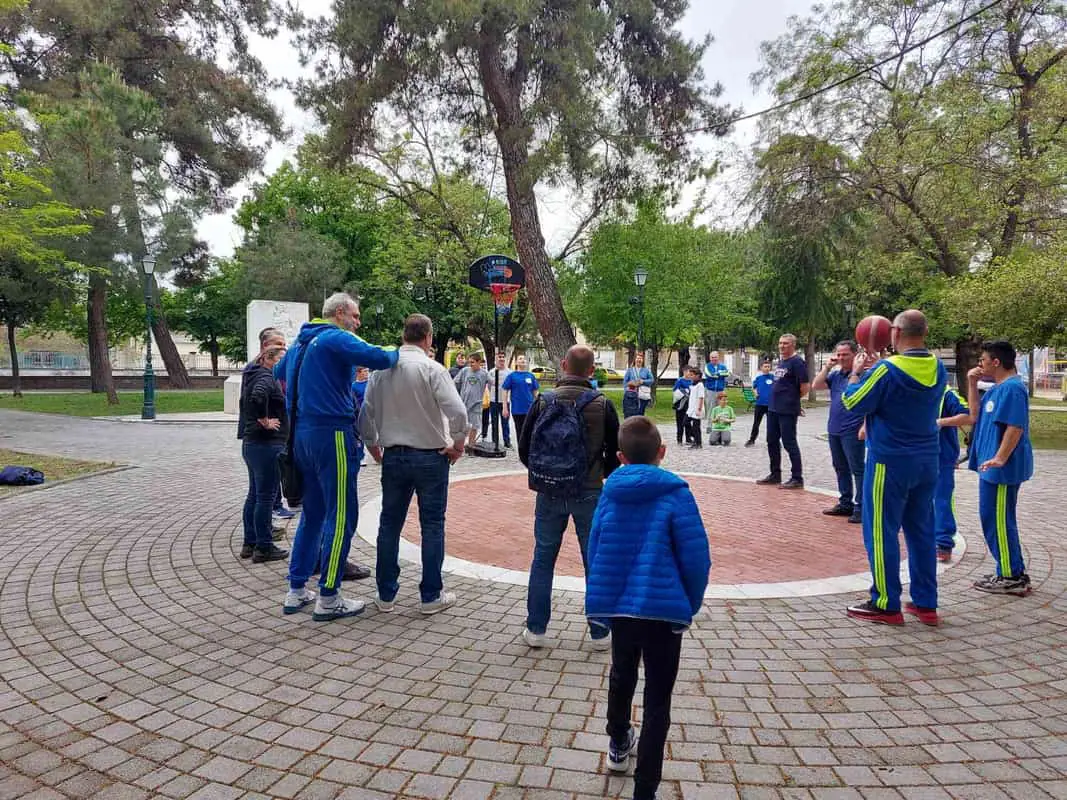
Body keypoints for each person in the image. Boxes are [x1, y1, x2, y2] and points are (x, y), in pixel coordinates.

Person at [585, 416, 711, 800]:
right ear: (662, 451)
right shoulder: (677, 494)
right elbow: (696, 557)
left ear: (620, 457)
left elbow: (595, 547)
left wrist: (603, 597)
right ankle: (645, 789)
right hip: (664, 612)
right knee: (658, 699)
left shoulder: (609, 493)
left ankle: (618, 740)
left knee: (621, 675)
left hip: (621, 609)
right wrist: (688, 604)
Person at [279, 292, 398, 622]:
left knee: (313, 514)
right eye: (355, 316)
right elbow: (380, 357)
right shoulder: (334, 337)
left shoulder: (300, 343)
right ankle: (329, 596)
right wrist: (402, 349)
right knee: (342, 514)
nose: (358, 323)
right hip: (332, 433)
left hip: (301, 436)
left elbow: (279, 372)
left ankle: (296, 589)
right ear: (341, 312)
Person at [841, 310, 946, 626]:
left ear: (896, 333)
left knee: (880, 530)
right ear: (925, 332)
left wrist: (856, 374)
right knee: (922, 531)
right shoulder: (938, 366)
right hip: (927, 459)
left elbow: (852, 403)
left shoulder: (886, 370)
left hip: (890, 462)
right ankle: (926, 603)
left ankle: (886, 603)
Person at [359, 314, 469, 615]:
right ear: (428, 337)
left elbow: (366, 414)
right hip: (431, 456)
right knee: (432, 525)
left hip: (394, 454)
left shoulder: (380, 372)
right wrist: (458, 444)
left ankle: (386, 594)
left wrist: (374, 448)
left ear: (403, 335)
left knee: (389, 524)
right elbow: (458, 412)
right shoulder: (433, 369)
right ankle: (430, 595)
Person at [518, 344, 620, 649]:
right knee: (594, 560)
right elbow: (615, 451)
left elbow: (525, 449)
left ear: (563, 365)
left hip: (549, 491)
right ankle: (600, 631)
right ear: (592, 370)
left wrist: (547, 473)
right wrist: (598, 473)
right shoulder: (602, 404)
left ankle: (536, 629)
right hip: (589, 491)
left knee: (543, 558)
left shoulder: (543, 401)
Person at [964, 340, 1034, 596]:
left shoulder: (1013, 389)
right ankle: (1009, 568)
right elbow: (974, 414)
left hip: (1001, 470)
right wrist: (972, 383)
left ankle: (1011, 576)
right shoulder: (997, 388)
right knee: (992, 518)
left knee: (999, 521)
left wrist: (1001, 458)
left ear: (996, 362)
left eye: (983, 360)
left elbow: (1015, 427)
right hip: (991, 467)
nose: (980, 364)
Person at [237, 344, 290, 563]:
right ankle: (264, 546)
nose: (284, 364)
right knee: (266, 497)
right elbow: (258, 398)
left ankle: (250, 542)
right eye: (281, 359)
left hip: (253, 443)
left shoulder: (253, 375)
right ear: (270, 359)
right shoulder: (266, 378)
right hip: (266, 444)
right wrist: (265, 420)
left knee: (255, 495)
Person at [812, 341, 865, 523]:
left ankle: (861, 507)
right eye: (839, 354)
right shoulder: (836, 375)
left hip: (853, 429)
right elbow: (816, 385)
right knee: (840, 467)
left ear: (855, 355)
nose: (841, 358)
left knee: (857, 468)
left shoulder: (862, 375)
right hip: (834, 428)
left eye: (845, 355)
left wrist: (865, 425)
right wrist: (827, 367)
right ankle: (845, 503)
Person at [757, 334, 809, 490]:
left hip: (787, 409)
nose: (782, 346)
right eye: (780, 343)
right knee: (771, 441)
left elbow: (804, 387)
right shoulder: (781, 362)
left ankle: (797, 477)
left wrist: (792, 400)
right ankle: (775, 474)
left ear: (793, 345)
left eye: (785, 343)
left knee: (789, 442)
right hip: (773, 408)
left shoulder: (797, 362)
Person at [259, 327, 297, 525]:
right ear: (266, 346)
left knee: (277, 471)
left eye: (284, 344)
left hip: (280, 431)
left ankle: (277, 505)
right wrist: (264, 420)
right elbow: (256, 397)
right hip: (268, 435)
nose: (283, 348)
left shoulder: (277, 370)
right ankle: (266, 523)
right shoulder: (262, 371)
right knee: (266, 481)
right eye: (279, 344)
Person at [932, 385, 970, 561]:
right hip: (916, 454)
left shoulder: (947, 393)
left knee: (941, 499)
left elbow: (968, 416)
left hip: (941, 456)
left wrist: (940, 422)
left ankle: (943, 543)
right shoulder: (911, 386)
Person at [454, 353, 491, 448]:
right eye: (469, 362)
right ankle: (459, 446)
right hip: (463, 403)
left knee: (474, 426)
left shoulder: (484, 373)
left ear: (479, 362)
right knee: (461, 426)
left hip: (476, 404)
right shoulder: (465, 371)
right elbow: (455, 382)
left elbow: (493, 383)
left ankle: (470, 445)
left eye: (472, 362)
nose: (470, 364)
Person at [502, 354, 540, 440]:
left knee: (530, 432)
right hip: (517, 410)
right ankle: (521, 448)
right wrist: (505, 407)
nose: (523, 360)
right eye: (520, 358)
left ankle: (528, 448)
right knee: (520, 433)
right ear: (516, 362)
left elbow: (535, 392)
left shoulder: (530, 376)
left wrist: (540, 404)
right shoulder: (512, 376)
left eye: (524, 359)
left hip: (530, 409)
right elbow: (504, 390)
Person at [482, 352, 512, 448]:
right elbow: (489, 386)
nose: (501, 359)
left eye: (503, 357)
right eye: (499, 357)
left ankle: (507, 441)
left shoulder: (510, 373)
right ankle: (494, 441)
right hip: (493, 401)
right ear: (496, 359)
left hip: (505, 402)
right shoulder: (491, 372)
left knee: (505, 423)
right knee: (494, 423)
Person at [744, 361, 775, 447]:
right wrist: (755, 393)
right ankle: (752, 439)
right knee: (756, 423)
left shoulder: (773, 377)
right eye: (765, 366)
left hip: (771, 404)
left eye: (768, 366)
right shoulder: (759, 378)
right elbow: (754, 388)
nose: (767, 368)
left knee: (772, 424)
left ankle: (773, 441)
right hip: (760, 403)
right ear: (761, 368)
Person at [702, 352, 729, 433]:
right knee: (711, 408)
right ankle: (709, 426)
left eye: (715, 357)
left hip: (720, 390)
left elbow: (727, 373)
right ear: (710, 358)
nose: (714, 359)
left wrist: (717, 374)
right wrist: (720, 374)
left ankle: (720, 425)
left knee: (721, 408)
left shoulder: (723, 366)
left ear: (718, 357)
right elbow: (709, 375)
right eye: (712, 357)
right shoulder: (707, 366)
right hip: (710, 390)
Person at [622, 353, 654, 418]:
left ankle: (639, 424)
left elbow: (652, 380)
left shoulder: (646, 370)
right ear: (635, 360)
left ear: (643, 360)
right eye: (638, 358)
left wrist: (643, 381)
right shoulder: (630, 370)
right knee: (631, 413)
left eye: (641, 358)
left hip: (642, 396)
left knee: (640, 414)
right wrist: (627, 392)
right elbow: (625, 382)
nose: (639, 360)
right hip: (632, 396)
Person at [352, 366, 370, 467]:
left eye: (367, 371)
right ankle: (361, 456)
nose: (367, 373)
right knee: (360, 435)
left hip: (371, 412)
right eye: (365, 371)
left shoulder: (370, 383)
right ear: (358, 373)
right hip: (359, 414)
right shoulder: (353, 386)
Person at [684, 367, 705, 449]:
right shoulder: (692, 384)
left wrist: (699, 409)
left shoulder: (700, 385)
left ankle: (698, 443)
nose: (690, 376)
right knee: (685, 422)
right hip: (691, 408)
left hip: (697, 408)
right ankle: (694, 436)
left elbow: (701, 397)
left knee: (696, 426)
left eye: (692, 375)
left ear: (698, 376)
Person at [671, 370, 693, 445]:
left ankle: (688, 439)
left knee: (688, 422)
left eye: (690, 373)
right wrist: (684, 391)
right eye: (688, 372)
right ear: (684, 372)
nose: (689, 374)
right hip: (680, 404)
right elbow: (675, 390)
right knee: (680, 422)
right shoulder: (679, 380)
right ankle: (679, 439)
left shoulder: (692, 381)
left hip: (689, 404)